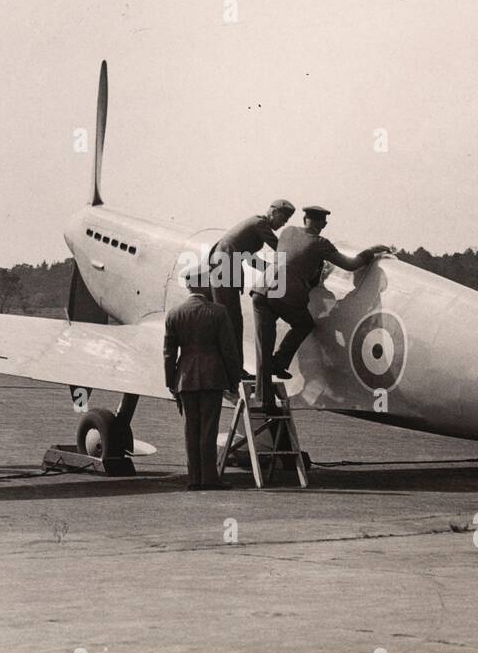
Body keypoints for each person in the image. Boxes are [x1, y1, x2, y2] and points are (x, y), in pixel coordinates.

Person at [251, 205, 390, 401]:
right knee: (304, 324)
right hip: (284, 294)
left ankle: (262, 397)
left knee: (263, 347)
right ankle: (279, 362)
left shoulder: (287, 231)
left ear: (304, 219)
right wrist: (371, 251)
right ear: (323, 224)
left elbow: (293, 257)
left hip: (261, 291)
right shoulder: (320, 243)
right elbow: (350, 265)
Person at [163, 262, 242, 490]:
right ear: (204, 283)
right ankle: (209, 478)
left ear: (188, 286)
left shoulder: (174, 314)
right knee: (209, 428)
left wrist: (170, 382)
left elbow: (169, 353)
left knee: (191, 429)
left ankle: (194, 479)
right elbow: (229, 349)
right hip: (212, 377)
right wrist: (233, 378)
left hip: (185, 378)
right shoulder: (218, 312)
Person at [209, 199, 295, 379]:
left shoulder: (255, 225)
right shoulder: (259, 224)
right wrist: (297, 257)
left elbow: (249, 258)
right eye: (283, 218)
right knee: (232, 321)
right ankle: (233, 369)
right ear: (272, 211)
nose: (283, 223)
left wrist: (274, 270)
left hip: (225, 268)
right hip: (225, 268)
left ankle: (233, 367)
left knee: (233, 321)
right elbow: (280, 248)